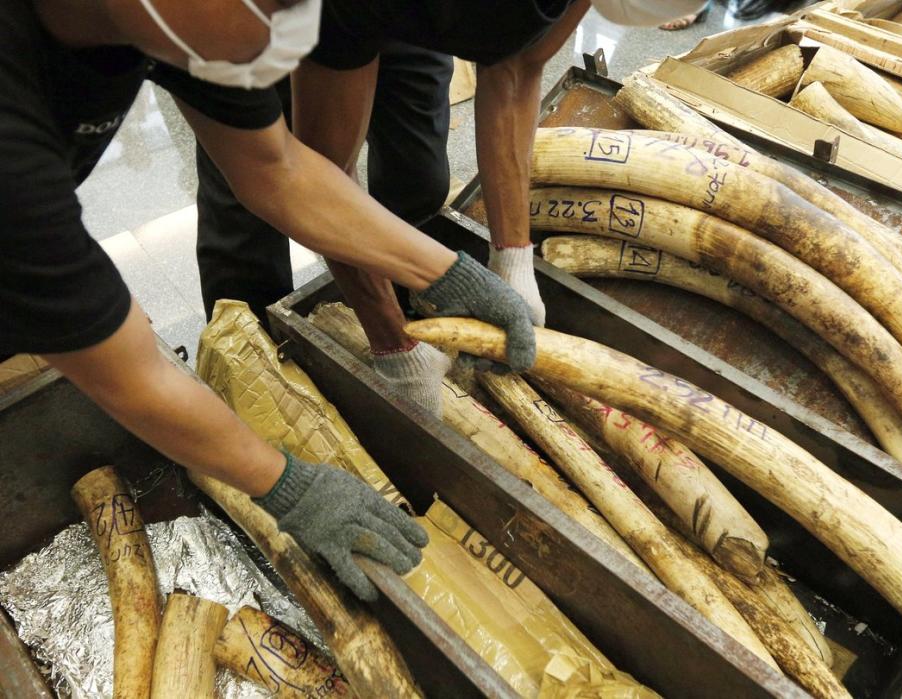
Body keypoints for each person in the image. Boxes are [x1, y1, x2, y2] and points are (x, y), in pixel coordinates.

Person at [0, 0, 537, 601]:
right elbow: (128, 370)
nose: (296, 26)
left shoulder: (177, 22)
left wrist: (448, 274)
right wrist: (285, 485)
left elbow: (276, 168)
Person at [193, 0, 708, 419]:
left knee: (419, 178)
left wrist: (513, 258)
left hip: (392, 19)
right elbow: (307, 180)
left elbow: (518, 71)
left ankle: (407, 306)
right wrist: (392, 345)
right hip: (280, 23)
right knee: (247, 215)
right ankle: (253, 370)